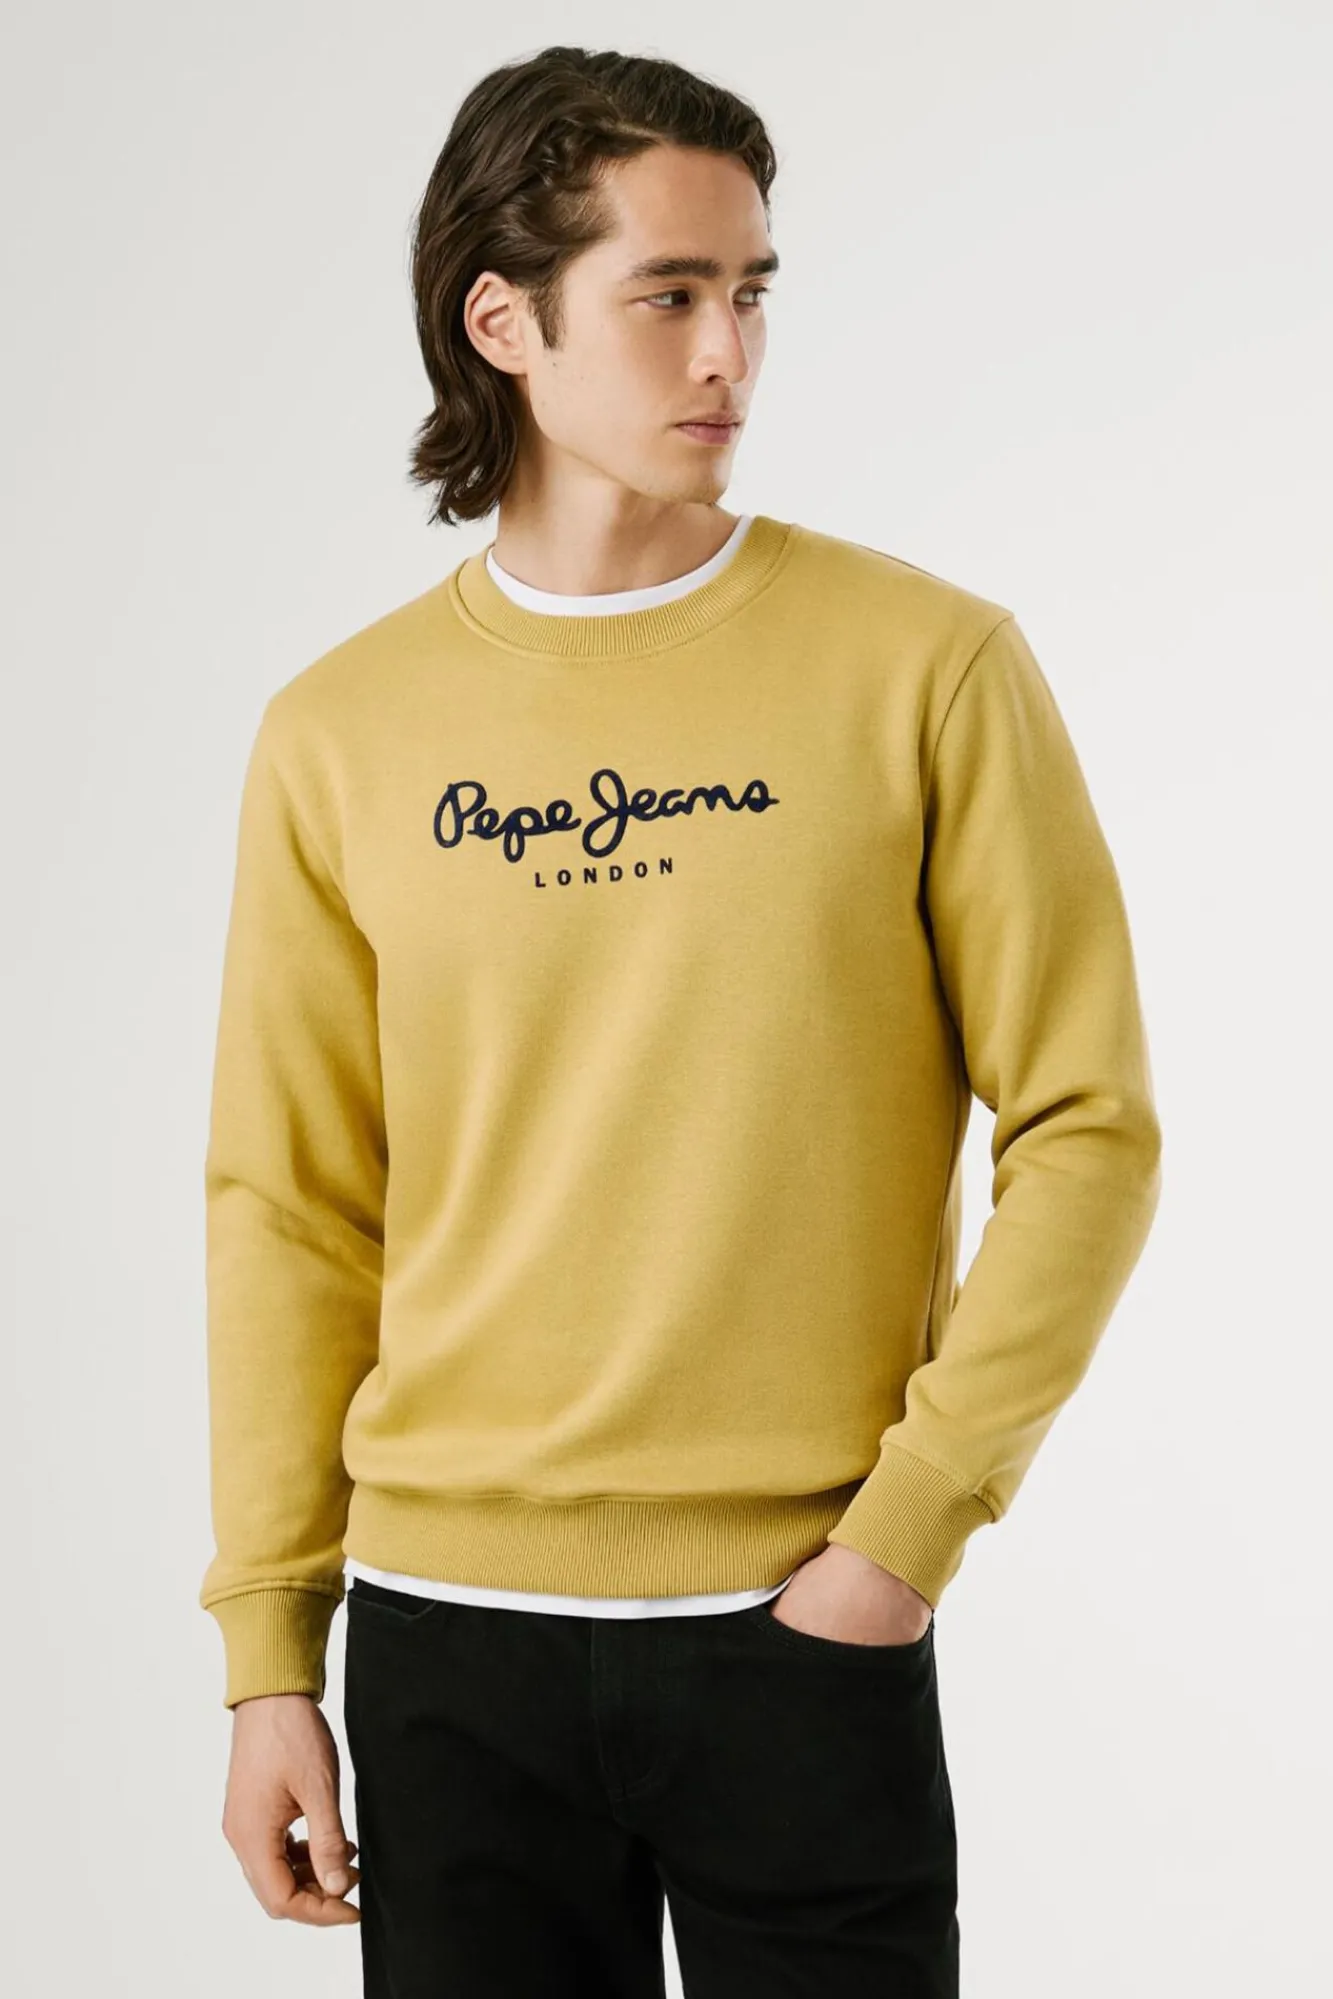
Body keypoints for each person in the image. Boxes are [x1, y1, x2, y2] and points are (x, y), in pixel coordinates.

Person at [199, 43, 1162, 1999]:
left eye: (751, 293)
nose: (729, 353)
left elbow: (1089, 1126)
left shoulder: (925, 668)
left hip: (802, 1617)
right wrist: (269, 1654)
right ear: (505, 322)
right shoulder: (340, 734)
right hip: (448, 1638)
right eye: (667, 296)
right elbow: (289, 1206)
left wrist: (902, 1538)